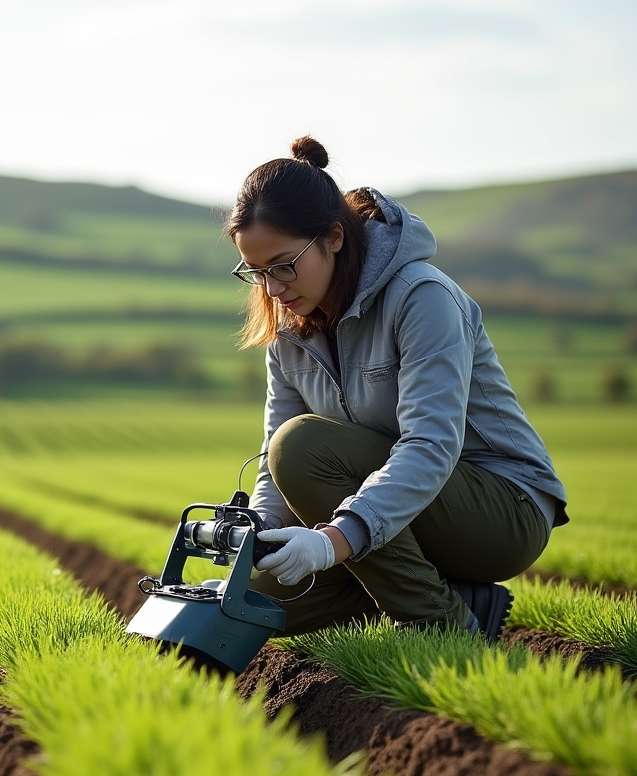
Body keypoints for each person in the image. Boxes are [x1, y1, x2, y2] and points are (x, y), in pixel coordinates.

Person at [228, 136, 567, 640]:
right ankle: (455, 591)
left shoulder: (422, 297)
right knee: (257, 603)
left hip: (499, 507)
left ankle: (446, 625)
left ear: (334, 238)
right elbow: (273, 465)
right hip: (399, 508)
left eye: (282, 265)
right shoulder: (289, 329)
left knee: (301, 445)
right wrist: (257, 528)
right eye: (256, 273)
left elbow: (430, 446)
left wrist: (334, 542)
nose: (273, 289)